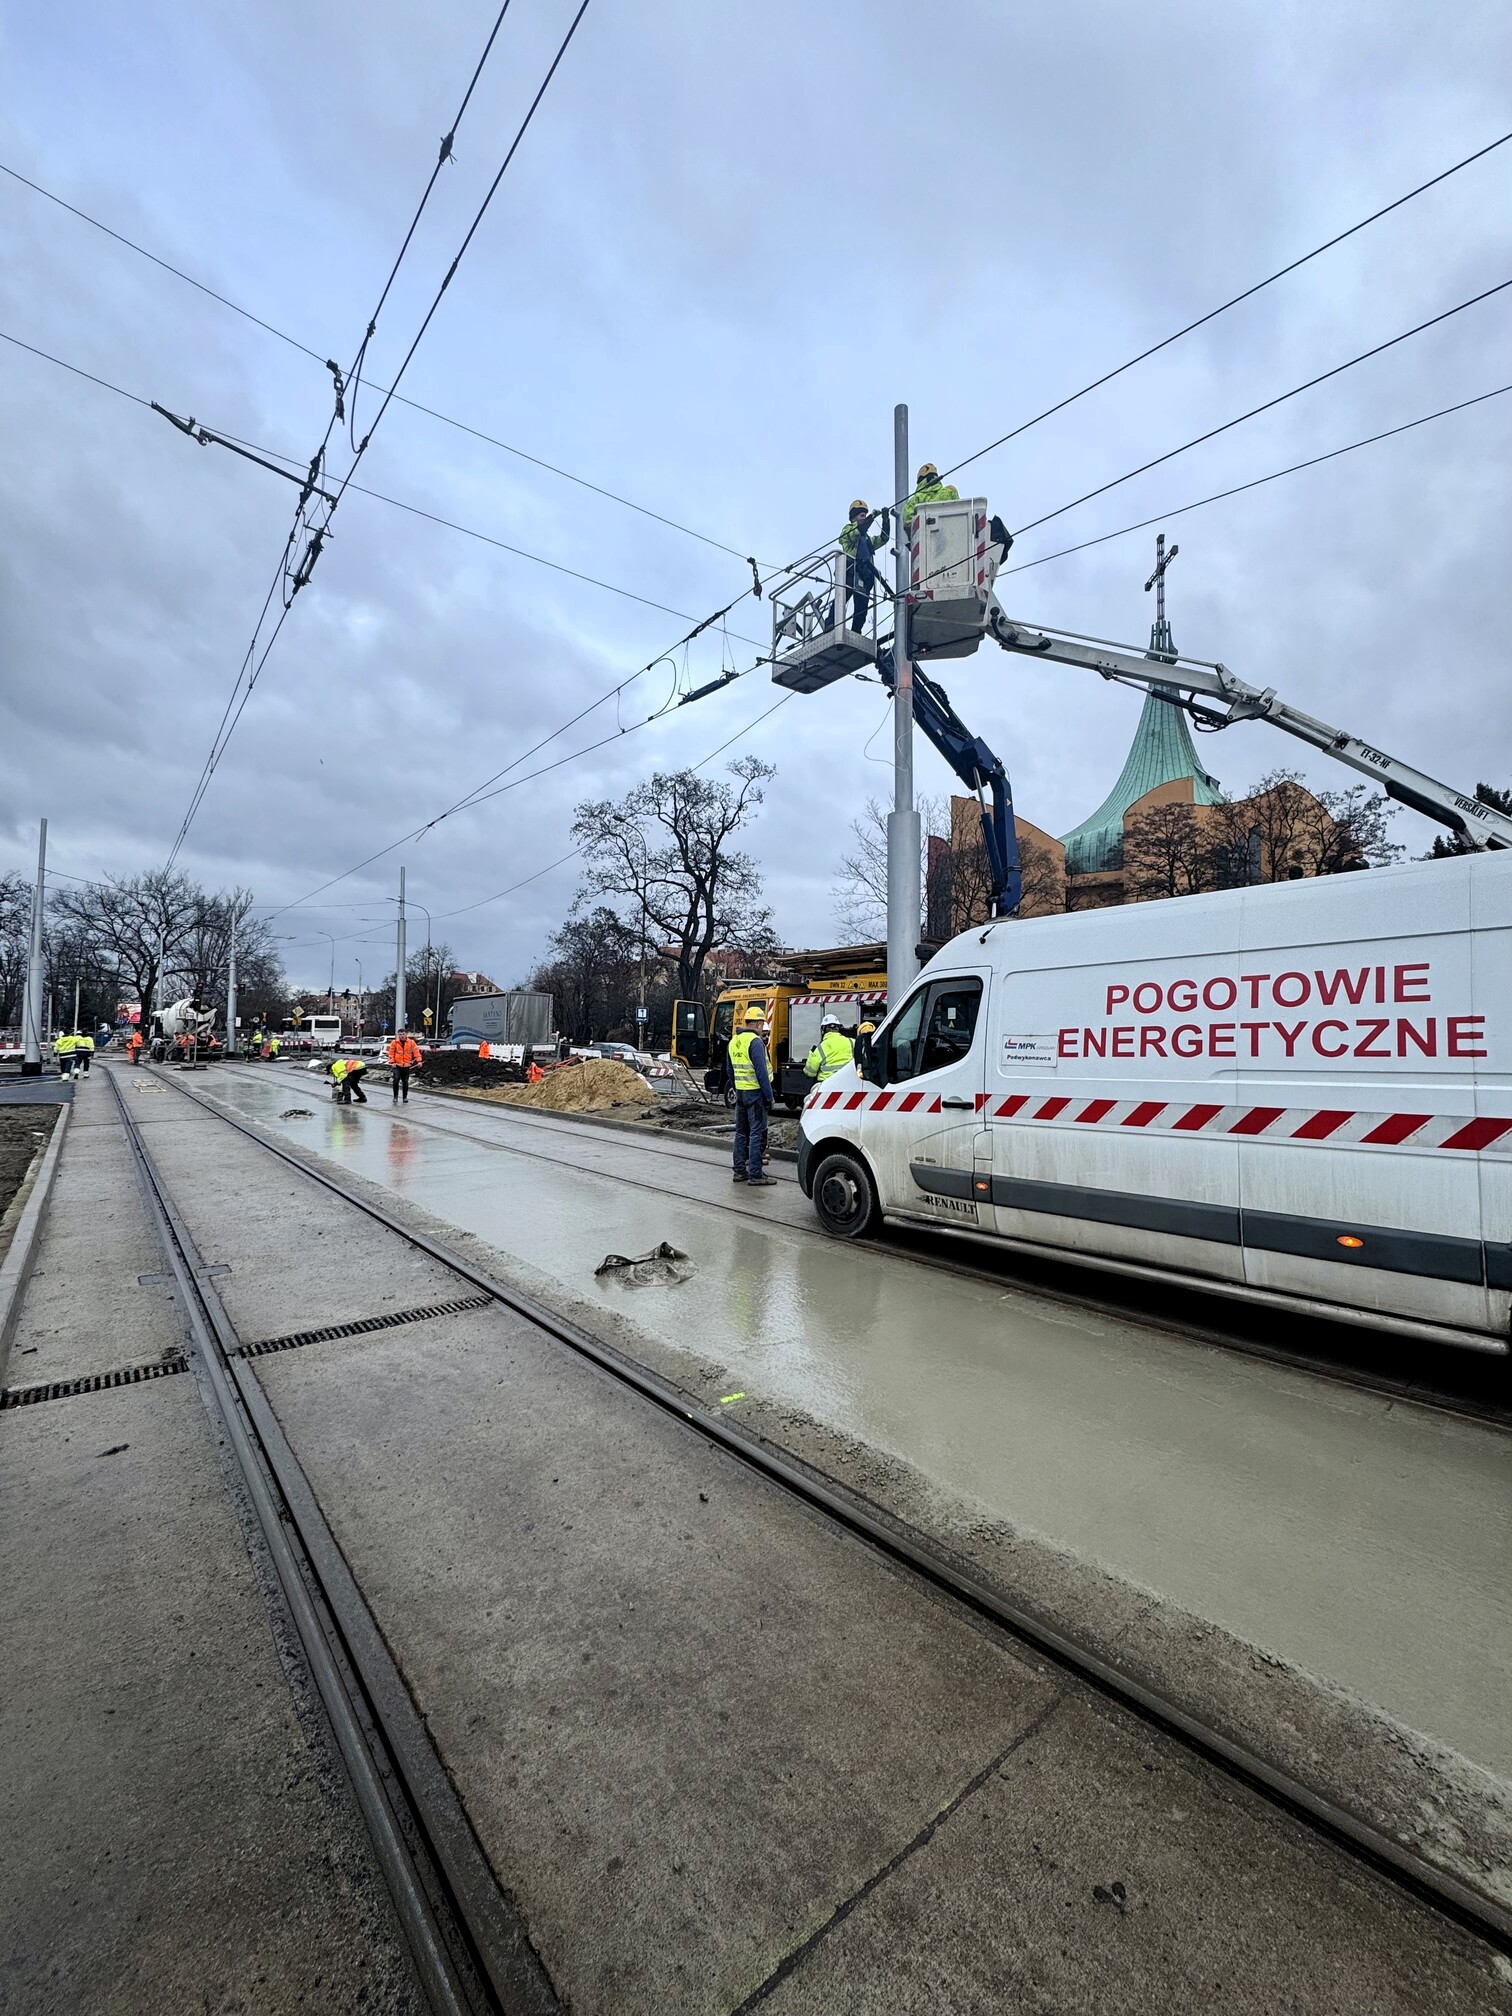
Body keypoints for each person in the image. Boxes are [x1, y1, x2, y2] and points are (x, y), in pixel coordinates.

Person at [728, 1003, 776, 1187]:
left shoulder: (734, 1041)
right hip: (755, 1094)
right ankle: (756, 1174)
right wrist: (769, 1097)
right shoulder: (755, 1042)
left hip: (740, 1093)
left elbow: (729, 1070)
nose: (762, 1028)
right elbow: (761, 1073)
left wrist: (737, 1087)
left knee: (741, 1133)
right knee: (756, 1133)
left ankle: (739, 1171)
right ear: (757, 1024)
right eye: (761, 1024)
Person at [838, 499, 890, 635]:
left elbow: (883, 539)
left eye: (864, 515)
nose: (863, 517)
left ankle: (856, 631)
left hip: (865, 574)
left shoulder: (867, 539)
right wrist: (871, 518)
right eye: (861, 515)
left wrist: (886, 520)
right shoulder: (848, 530)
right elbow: (856, 533)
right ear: (854, 517)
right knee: (842, 598)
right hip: (850, 571)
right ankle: (831, 622)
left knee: (862, 606)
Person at [902, 460, 959, 533]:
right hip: (952, 533)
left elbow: (908, 524)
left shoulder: (914, 500)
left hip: (924, 539)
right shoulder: (950, 491)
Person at [804, 1011, 854, 1083]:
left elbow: (810, 1072)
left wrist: (811, 1055)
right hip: (848, 1082)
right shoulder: (851, 1042)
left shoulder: (820, 1048)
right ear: (838, 1028)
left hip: (827, 1084)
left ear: (823, 1030)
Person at [386, 1027, 422, 1102]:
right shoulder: (394, 1043)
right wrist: (392, 1062)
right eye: (400, 1034)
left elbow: (416, 1052)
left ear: (406, 1034)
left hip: (406, 1065)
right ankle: (395, 1096)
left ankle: (404, 1097)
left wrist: (419, 1061)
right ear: (398, 1035)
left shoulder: (411, 1043)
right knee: (396, 1079)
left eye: (403, 1034)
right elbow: (391, 1053)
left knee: (405, 1081)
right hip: (397, 1065)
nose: (402, 1036)